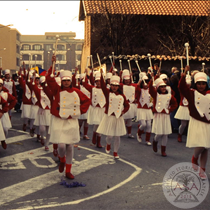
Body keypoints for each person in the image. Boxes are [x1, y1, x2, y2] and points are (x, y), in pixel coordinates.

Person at [46, 55, 91, 179]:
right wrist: (52, 65)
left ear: (71, 81)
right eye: (64, 80)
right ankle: (62, 159)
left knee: (70, 146)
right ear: (61, 81)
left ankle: (68, 170)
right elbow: (49, 80)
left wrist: (78, 111)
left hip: (71, 121)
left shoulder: (77, 91)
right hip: (59, 120)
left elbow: (87, 101)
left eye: (68, 80)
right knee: (61, 145)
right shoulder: (57, 90)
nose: (66, 82)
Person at [179, 66, 210, 179]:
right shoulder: (191, 93)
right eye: (199, 83)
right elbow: (182, 88)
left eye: (203, 83)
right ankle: (195, 157)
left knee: (206, 147)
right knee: (201, 145)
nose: (201, 85)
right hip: (197, 122)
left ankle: (202, 170)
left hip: (208, 123)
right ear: (195, 84)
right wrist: (184, 74)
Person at [97, 71, 130, 158]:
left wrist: (123, 112)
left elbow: (127, 105)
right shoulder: (108, 93)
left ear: (118, 86)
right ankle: (108, 144)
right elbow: (103, 87)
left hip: (118, 117)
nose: (114, 87)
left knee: (117, 136)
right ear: (110, 85)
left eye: (116, 86)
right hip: (109, 117)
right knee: (110, 136)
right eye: (112, 85)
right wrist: (101, 75)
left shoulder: (122, 96)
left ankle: (115, 152)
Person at [149, 77, 178, 157]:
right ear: (158, 88)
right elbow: (150, 89)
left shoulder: (170, 96)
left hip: (166, 115)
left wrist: (169, 110)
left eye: (164, 86)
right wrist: (153, 78)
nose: (163, 88)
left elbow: (175, 104)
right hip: (158, 115)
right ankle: (155, 141)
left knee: (165, 133)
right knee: (159, 133)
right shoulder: (156, 95)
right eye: (161, 87)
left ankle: (163, 150)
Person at [83, 69, 106, 148]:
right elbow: (85, 84)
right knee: (97, 124)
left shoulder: (106, 89)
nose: (98, 83)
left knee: (99, 125)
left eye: (100, 81)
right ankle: (97, 140)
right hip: (95, 109)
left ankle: (95, 138)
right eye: (97, 81)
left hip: (102, 109)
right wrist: (86, 75)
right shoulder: (93, 88)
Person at [136, 74, 153, 145]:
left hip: (148, 109)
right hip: (141, 109)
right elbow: (137, 88)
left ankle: (147, 140)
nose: (146, 85)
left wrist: (152, 77)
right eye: (144, 83)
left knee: (149, 125)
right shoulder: (140, 90)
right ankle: (139, 134)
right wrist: (140, 80)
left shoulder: (150, 90)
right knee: (143, 124)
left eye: (147, 83)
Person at [120, 69, 137, 138]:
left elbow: (139, 87)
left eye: (128, 80)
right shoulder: (121, 86)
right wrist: (120, 74)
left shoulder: (133, 86)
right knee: (123, 119)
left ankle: (129, 133)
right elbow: (118, 83)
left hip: (131, 105)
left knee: (130, 119)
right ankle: (121, 132)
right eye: (125, 80)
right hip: (124, 104)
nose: (127, 81)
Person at [174, 74, 191, 142]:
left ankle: (190, 137)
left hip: (190, 108)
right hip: (183, 108)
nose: (188, 85)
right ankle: (180, 134)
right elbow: (180, 85)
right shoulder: (182, 91)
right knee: (183, 124)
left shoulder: (193, 91)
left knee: (191, 125)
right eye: (187, 84)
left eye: (189, 84)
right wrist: (183, 76)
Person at [0, 79, 16, 149]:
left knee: (5, 129)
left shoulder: (5, 94)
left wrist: (8, 108)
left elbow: (13, 100)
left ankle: (4, 139)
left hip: (3, 113)